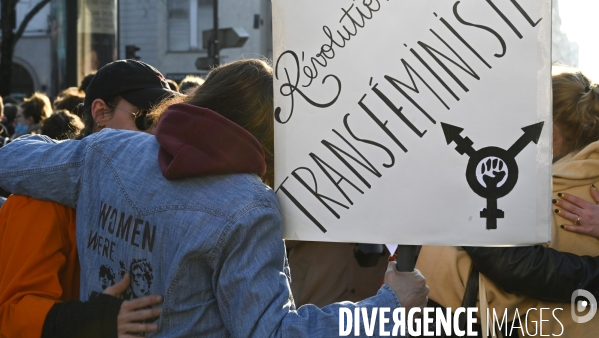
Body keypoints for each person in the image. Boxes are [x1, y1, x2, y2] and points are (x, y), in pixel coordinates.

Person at [0, 59, 429, 337]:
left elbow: (13, 161)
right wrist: (388, 306)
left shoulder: (112, 149)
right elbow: (274, 333)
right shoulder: (248, 205)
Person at [0, 59, 178, 338]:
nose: (155, 134)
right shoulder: (42, 197)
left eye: (164, 120)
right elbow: (13, 316)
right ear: (100, 113)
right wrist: (93, 322)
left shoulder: (161, 194)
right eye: (145, 118)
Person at [416, 71, 599, 337]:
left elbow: (510, 263)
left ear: (550, 127)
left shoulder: (541, 185)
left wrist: (463, 199)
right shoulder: (561, 179)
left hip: (458, 314)